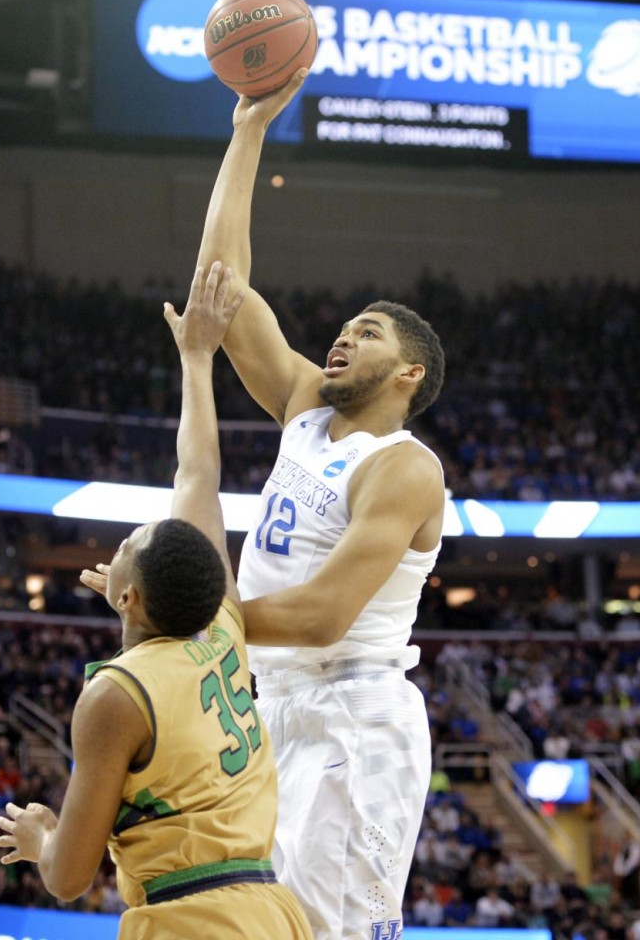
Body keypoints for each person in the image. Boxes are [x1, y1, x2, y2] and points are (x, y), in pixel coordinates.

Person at [0, 263, 313, 940]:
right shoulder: (220, 621)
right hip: (273, 911)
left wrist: (40, 833)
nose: (128, 538)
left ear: (129, 594)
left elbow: (69, 878)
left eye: (132, 541)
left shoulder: (115, 695)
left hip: (190, 920)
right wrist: (196, 358)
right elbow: (197, 472)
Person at [195, 70, 446, 940]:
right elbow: (220, 294)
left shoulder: (403, 468)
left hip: (353, 716)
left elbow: (322, 615)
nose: (342, 335)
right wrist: (247, 131)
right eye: (343, 327)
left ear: (408, 374)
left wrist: (193, 619)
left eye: (367, 333)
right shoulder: (307, 413)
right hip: (273, 704)